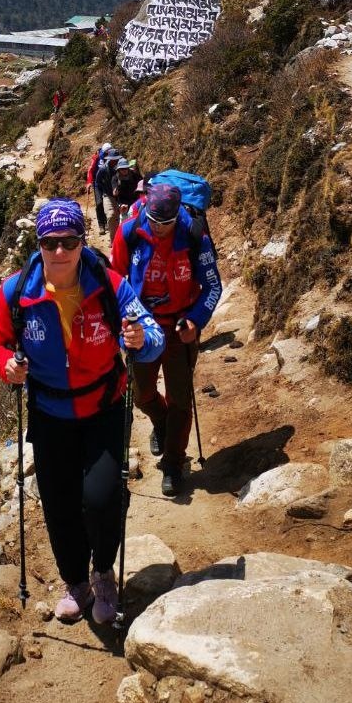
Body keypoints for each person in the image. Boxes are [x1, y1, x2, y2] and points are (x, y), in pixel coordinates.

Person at [0, 199, 164, 624]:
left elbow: (151, 333)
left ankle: (103, 572)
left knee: (101, 499)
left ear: (83, 241)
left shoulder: (109, 284)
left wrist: (142, 341)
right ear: (39, 243)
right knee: (59, 504)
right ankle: (76, 583)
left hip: (103, 405)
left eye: (69, 241)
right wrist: (5, 365)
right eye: (51, 243)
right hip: (49, 413)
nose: (60, 252)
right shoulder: (16, 292)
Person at [111, 184, 222, 496]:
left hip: (178, 327)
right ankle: (162, 424)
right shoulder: (130, 232)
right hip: (141, 327)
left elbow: (213, 286)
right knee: (143, 394)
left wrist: (195, 321)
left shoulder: (193, 236)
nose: (160, 229)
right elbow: (116, 281)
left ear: (177, 216)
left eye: (166, 223)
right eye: (154, 222)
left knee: (180, 398)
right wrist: (123, 322)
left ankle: (173, 463)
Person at [86, 142, 112, 233]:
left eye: (109, 152)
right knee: (99, 203)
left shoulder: (112, 156)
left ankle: (108, 222)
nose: (107, 155)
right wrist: (89, 183)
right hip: (97, 184)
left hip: (108, 183)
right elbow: (90, 171)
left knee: (109, 203)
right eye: (106, 153)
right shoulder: (96, 157)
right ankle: (101, 225)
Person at [95, 149, 122, 239]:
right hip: (107, 195)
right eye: (114, 159)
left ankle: (121, 239)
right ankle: (113, 240)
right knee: (111, 215)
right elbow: (97, 182)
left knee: (120, 218)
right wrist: (101, 195)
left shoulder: (120, 168)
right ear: (110, 159)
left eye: (117, 159)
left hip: (120, 195)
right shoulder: (103, 169)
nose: (116, 161)